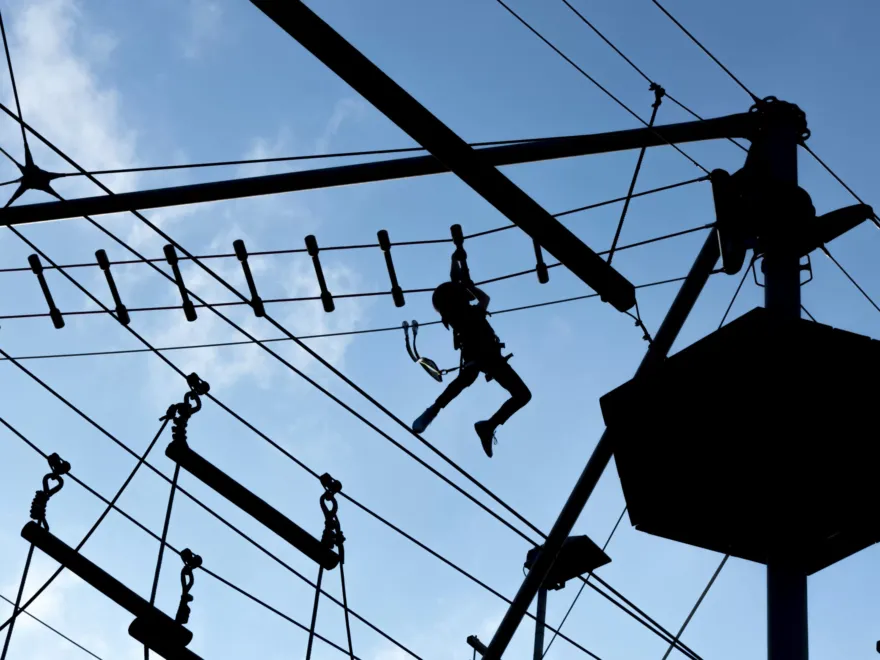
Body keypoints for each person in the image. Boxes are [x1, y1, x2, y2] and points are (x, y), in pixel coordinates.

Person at [411, 277, 531, 457]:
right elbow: (484, 298)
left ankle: (484, 426)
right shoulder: (466, 314)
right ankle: (481, 425)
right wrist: (468, 285)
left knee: (470, 379)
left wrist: (463, 281)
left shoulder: (460, 315)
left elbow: (480, 298)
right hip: (485, 357)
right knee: (519, 394)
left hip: (485, 358)